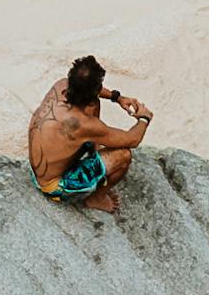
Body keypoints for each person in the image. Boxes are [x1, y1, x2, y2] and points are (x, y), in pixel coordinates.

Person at [29, 54, 152, 215]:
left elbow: (91, 91)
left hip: (39, 168)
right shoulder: (84, 124)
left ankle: (94, 153)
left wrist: (118, 97)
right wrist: (144, 118)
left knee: (93, 102)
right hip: (54, 187)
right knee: (123, 155)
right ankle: (96, 198)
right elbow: (132, 140)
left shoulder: (60, 85)